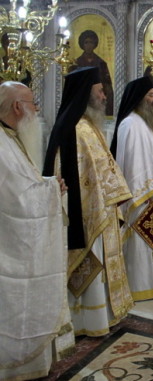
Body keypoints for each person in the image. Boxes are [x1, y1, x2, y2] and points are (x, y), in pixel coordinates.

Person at [43, 67, 134, 337]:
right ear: (85, 94)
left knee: (103, 268)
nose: (105, 96)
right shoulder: (75, 130)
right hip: (86, 215)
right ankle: (86, 321)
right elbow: (69, 175)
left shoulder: (88, 126)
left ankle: (103, 315)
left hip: (101, 210)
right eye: (100, 91)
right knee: (91, 268)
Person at [0, 82, 73, 380]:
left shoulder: (10, 138)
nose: (37, 108)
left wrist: (49, 186)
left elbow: (23, 185)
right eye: (33, 103)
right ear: (18, 107)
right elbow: (16, 202)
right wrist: (52, 191)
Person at [110, 76, 153, 300]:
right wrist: (139, 191)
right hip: (140, 194)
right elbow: (127, 162)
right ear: (139, 98)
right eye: (151, 95)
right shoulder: (129, 124)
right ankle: (141, 285)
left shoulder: (149, 123)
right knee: (141, 239)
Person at [72, 30, 115, 116]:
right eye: (86, 42)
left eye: (91, 42)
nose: (89, 45)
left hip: (97, 99)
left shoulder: (101, 63)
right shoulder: (76, 63)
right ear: (82, 44)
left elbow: (107, 84)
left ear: (95, 44)